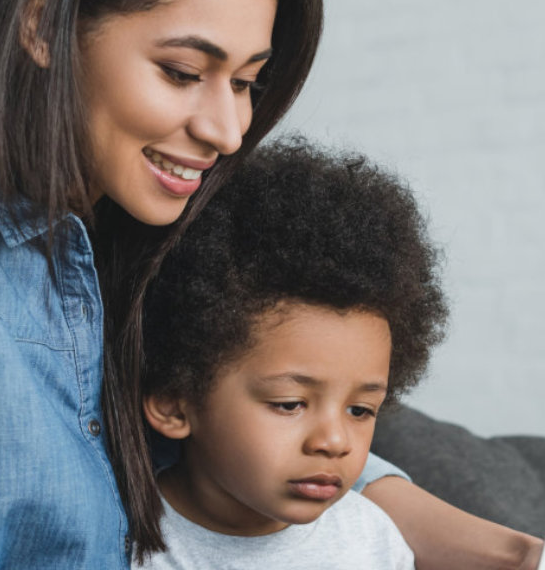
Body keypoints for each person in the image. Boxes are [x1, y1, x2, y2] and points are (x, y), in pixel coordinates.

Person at [0, 0, 542, 568]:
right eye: (184, 72)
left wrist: (515, 552)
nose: (227, 127)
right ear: (41, 25)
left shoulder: (117, 257)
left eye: (248, 82)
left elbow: (285, 444)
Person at [133, 139, 441, 569]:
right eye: (290, 404)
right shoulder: (121, 544)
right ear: (173, 402)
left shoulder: (372, 543)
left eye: (360, 410)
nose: (334, 443)